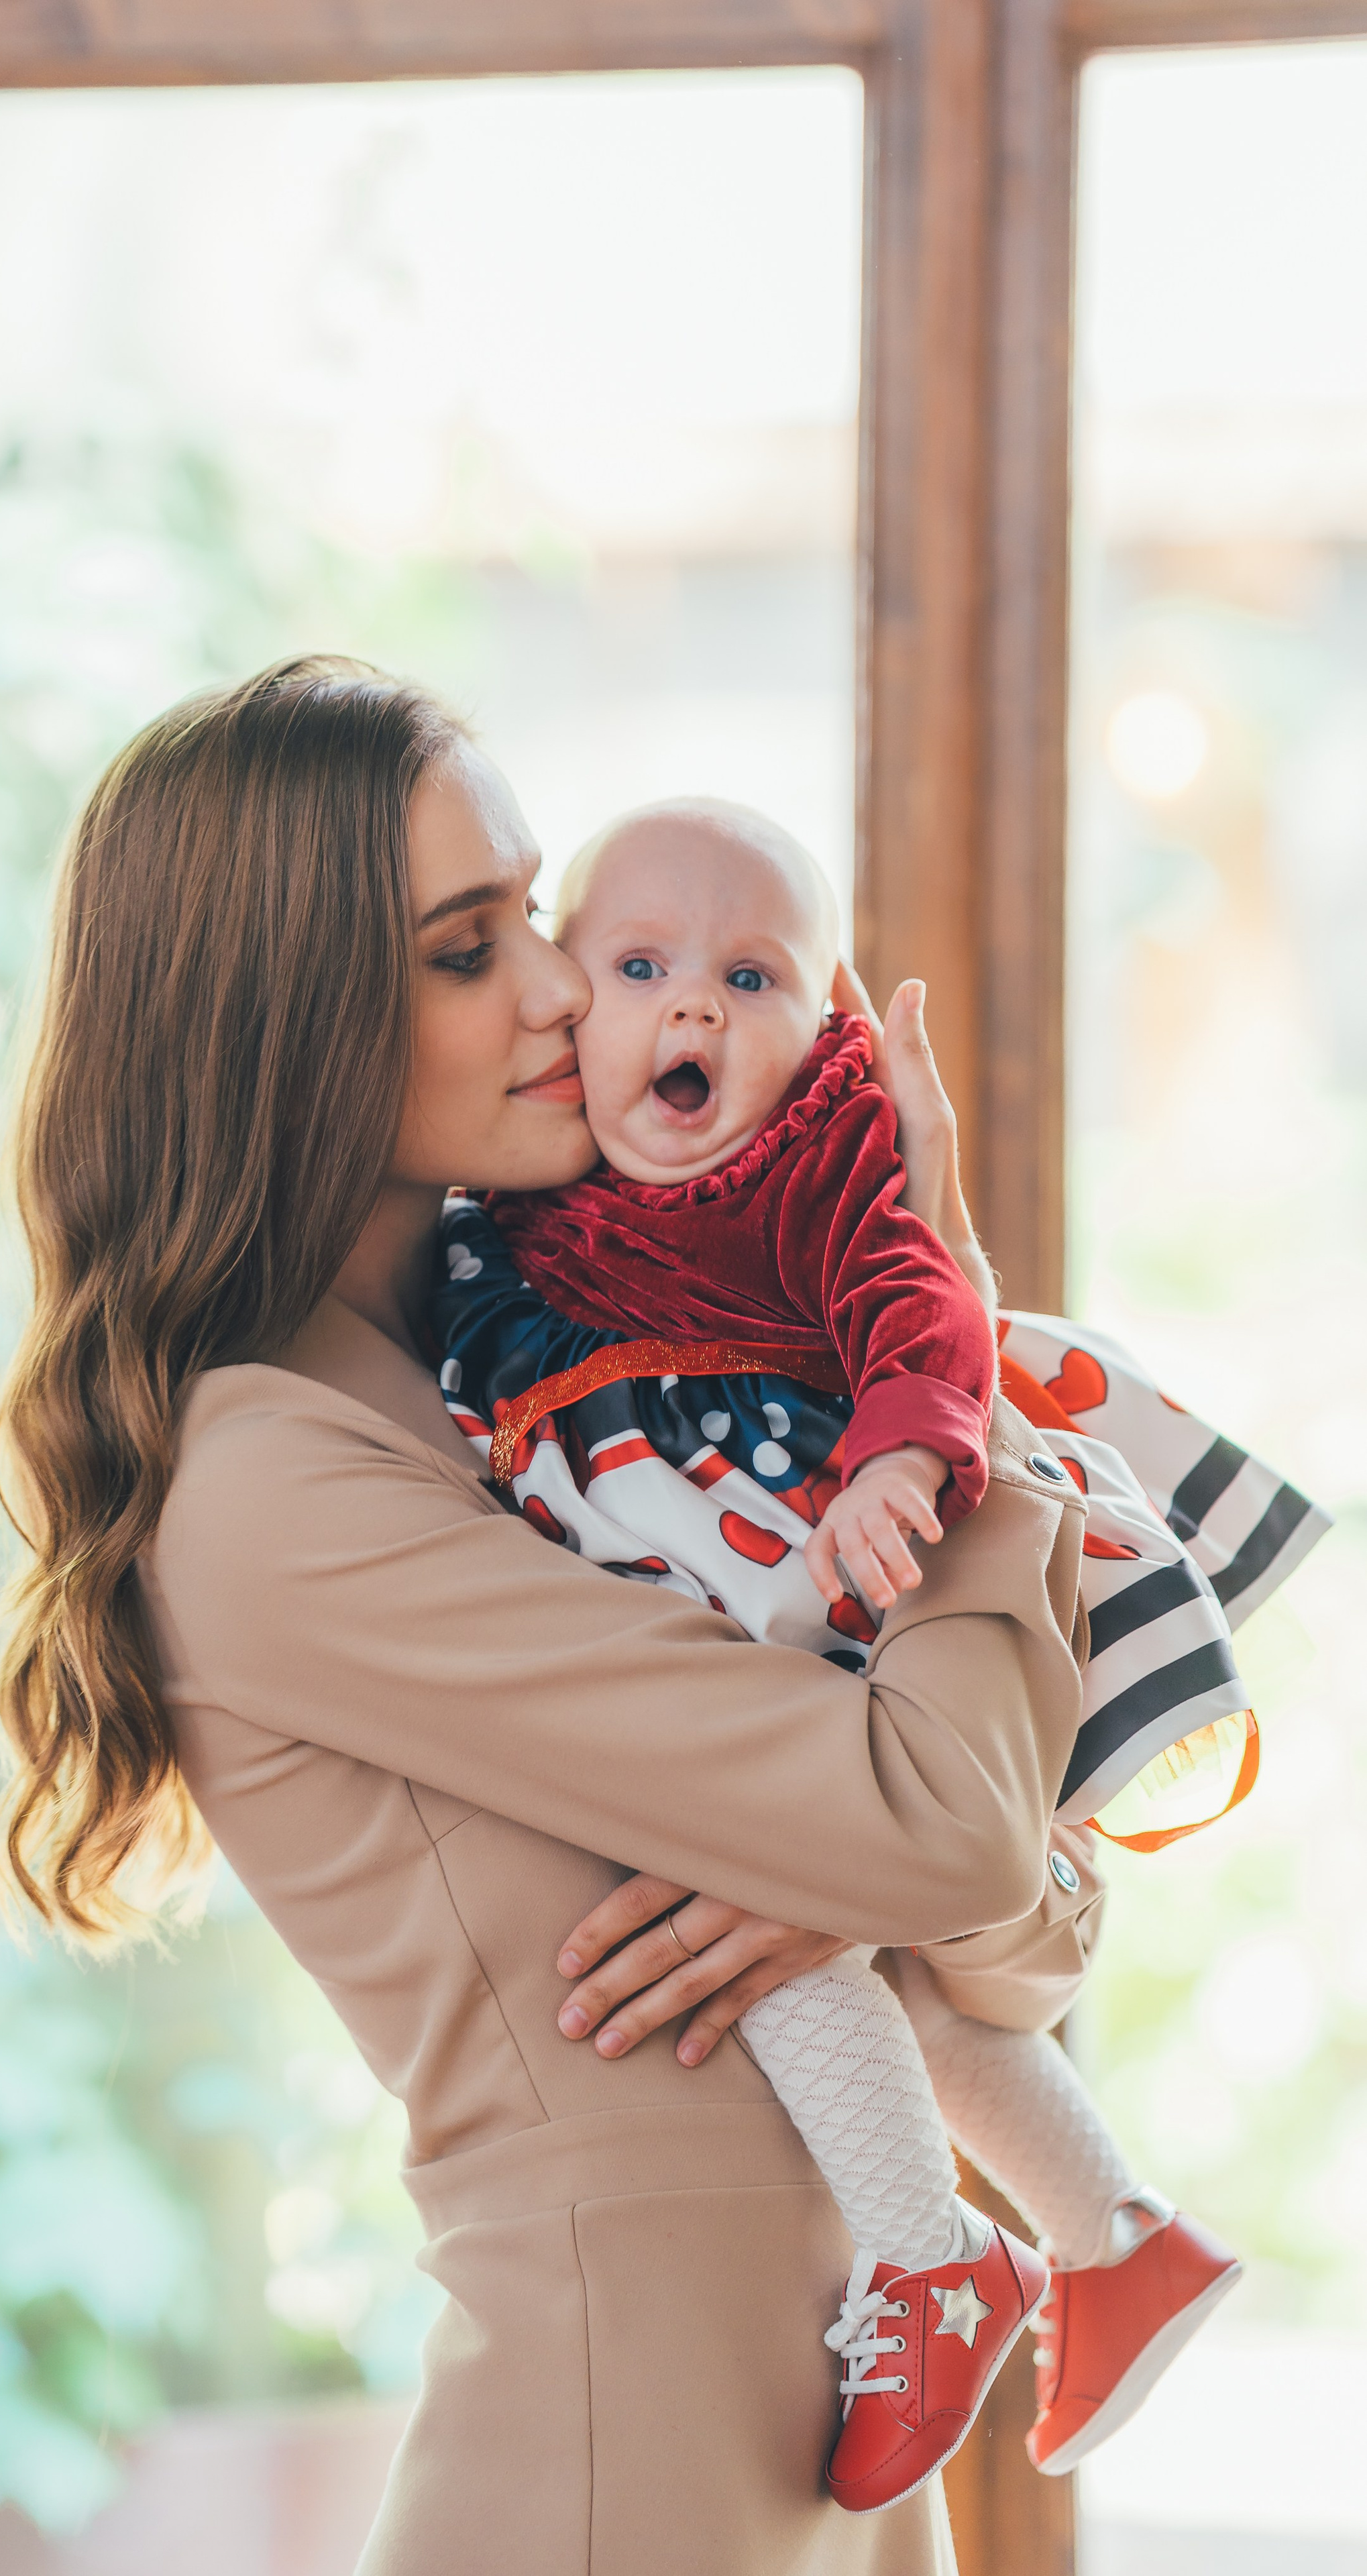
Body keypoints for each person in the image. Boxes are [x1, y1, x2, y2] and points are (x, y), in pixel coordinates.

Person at [0, 657, 1100, 2575]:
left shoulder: (565, 1411)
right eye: (470, 946)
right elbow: (959, 1827)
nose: (574, 991)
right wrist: (958, 1359)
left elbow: (1023, 1932)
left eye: (537, 918)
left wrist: (869, 1867)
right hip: (615, 2472)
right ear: (289, 1031)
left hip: (818, 2451)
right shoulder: (269, 1476)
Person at [431, 798, 1305, 2508]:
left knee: (772, 1907)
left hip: (813, 1548)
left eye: (747, 979)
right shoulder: (528, 1187)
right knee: (848, 1948)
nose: (689, 1011)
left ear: (820, 1023)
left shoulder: (815, 1158)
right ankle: (1109, 2233)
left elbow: (913, 1299)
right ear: (572, 1006)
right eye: (638, 966)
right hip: (687, 1563)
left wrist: (902, 1459)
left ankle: (927, 2259)